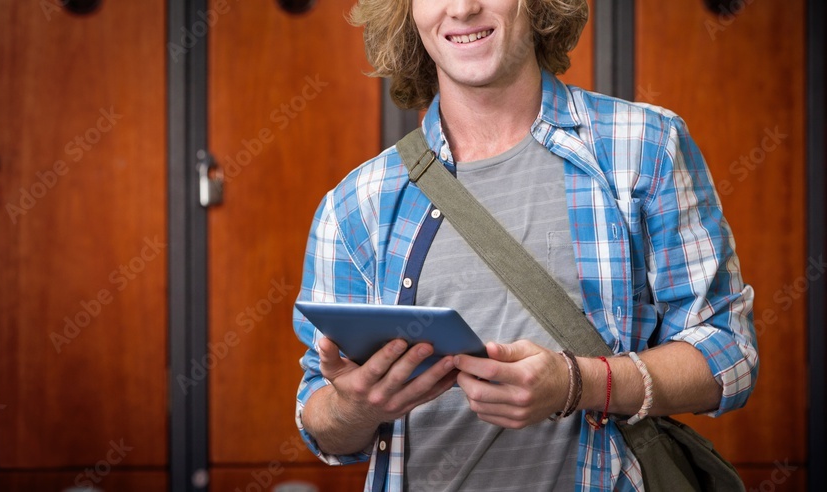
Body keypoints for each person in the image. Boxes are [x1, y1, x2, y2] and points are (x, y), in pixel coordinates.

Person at [291, 0, 758, 490]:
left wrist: (577, 384)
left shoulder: (644, 146)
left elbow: (729, 355)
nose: (464, 8)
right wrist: (354, 407)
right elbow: (318, 418)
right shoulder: (356, 203)